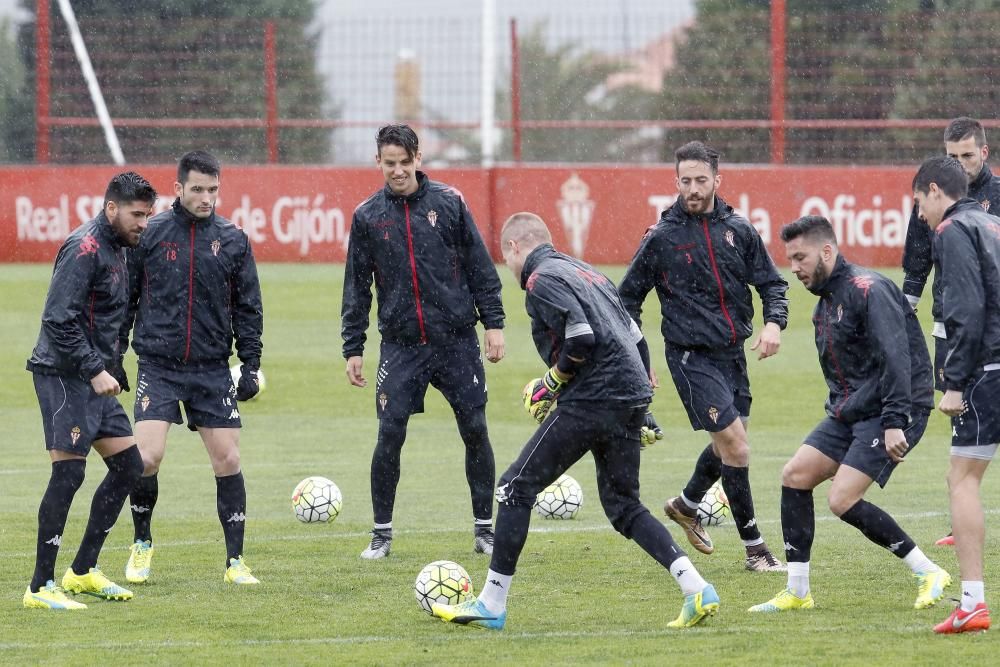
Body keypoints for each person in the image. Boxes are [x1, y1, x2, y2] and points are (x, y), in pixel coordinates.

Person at [432, 212, 719, 630]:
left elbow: (581, 338)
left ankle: (492, 604)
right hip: (625, 396)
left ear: (515, 247)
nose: (509, 267)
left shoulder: (540, 279)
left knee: (514, 488)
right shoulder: (588, 272)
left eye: (506, 257)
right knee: (624, 507)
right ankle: (696, 588)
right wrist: (641, 406)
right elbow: (635, 337)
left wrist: (551, 382)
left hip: (594, 399)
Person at [747, 215, 949, 613]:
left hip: (893, 406)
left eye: (801, 257)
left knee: (841, 499)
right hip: (852, 410)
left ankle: (928, 571)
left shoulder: (867, 289)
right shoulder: (826, 303)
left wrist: (894, 422)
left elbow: (897, 359)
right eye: (790, 259)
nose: (794, 268)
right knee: (795, 475)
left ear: (827, 250)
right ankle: (798, 591)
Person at [619, 140, 788, 571]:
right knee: (736, 445)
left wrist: (773, 324)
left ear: (717, 179)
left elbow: (772, 284)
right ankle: (755, 549)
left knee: (731, 443)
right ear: (675, 182)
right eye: (685, 181)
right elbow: (626, 301)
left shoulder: (739, 229)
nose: (693, 188)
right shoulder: (661, 238)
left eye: (701, 180)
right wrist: (638, 358)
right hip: (689, 356)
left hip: (732, 353)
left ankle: (686, 504)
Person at [342, 124, 506, 559]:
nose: (396, 171)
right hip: (400, 346)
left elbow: (479, 267)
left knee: (474, 430)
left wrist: (494, 323)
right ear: (377, 162)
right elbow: (357, 288)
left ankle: (484, 530)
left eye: (403, 162)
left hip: (456, 341)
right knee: (390, 434)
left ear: (418, 158)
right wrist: (353, 347)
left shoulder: (449, 204)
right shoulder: (367, 216)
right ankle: (381, 534)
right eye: (388, 163)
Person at [120, 151, 264, 585]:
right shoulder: (151, 235)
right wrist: (113, 357)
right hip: (159, 366)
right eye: (197, 189)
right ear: (178, 189)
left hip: (211, 369)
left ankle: (235, 562)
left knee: (228, 458)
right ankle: (142, 543)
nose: (206, 197)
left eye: (213, 189)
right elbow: (125, 298)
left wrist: (251, 363)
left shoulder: (234, 239)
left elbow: (248, 307)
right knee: (146, 457)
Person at [23, 172, 157, 609]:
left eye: (148, 215)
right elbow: (58, 320)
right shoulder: (85, 249)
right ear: (111, 208)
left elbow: (111, 315)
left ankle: (81, 572)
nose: (144, 223)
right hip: (63, 373)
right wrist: (95, 368)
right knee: (70, 473)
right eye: (137, 214)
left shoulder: (120, 248)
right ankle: (40, 587)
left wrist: (112, 364)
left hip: (95, 376)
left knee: (128, 466)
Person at [911, 156, 1000, 634]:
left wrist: (955, 381)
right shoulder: (993, 222)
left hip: (988, 369)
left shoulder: (951, 230)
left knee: (961, 478)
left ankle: (972, 603)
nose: (920, 214)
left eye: (918, 202)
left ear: (933, 190)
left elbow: (966, 305)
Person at [901, 117, 1000, 548]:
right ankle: (961, 518)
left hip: (978, 326)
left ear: (984, 152)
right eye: (952, 155)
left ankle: (965, 509)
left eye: (967, 154)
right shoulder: (936, 197)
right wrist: (910, 298)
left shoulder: (971, 210)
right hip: (955, 321)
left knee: (968, 399)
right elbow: (917, 250)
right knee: (964, 417)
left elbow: (975, 298)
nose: (960, 163)